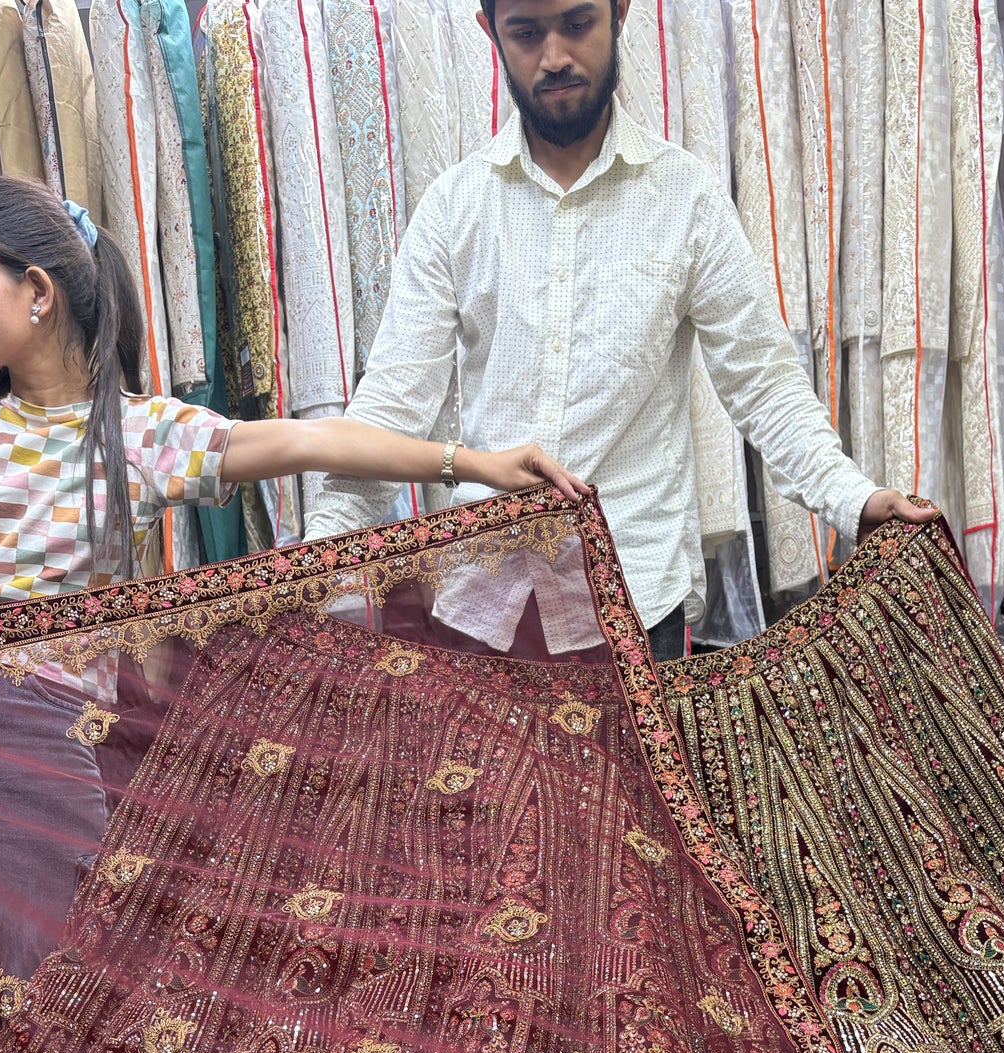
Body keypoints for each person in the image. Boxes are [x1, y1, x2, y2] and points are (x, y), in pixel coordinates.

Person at [0, 175, 583, 1050]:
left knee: (66, 985)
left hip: (36, 729)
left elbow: (308, 439)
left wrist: (473, 463)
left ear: (39, 291)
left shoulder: (136, 437)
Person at [304, 0, 939, 658]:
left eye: (576, 24)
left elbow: (763, 384)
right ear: (488, 32)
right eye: (526, 33)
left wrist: (852, 498)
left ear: (619, 13)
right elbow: (388, 411)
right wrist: (305, 572)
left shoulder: (685, 198)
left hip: (634, 605)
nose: (553, 58)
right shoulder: (452, 208)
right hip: (478, 608)